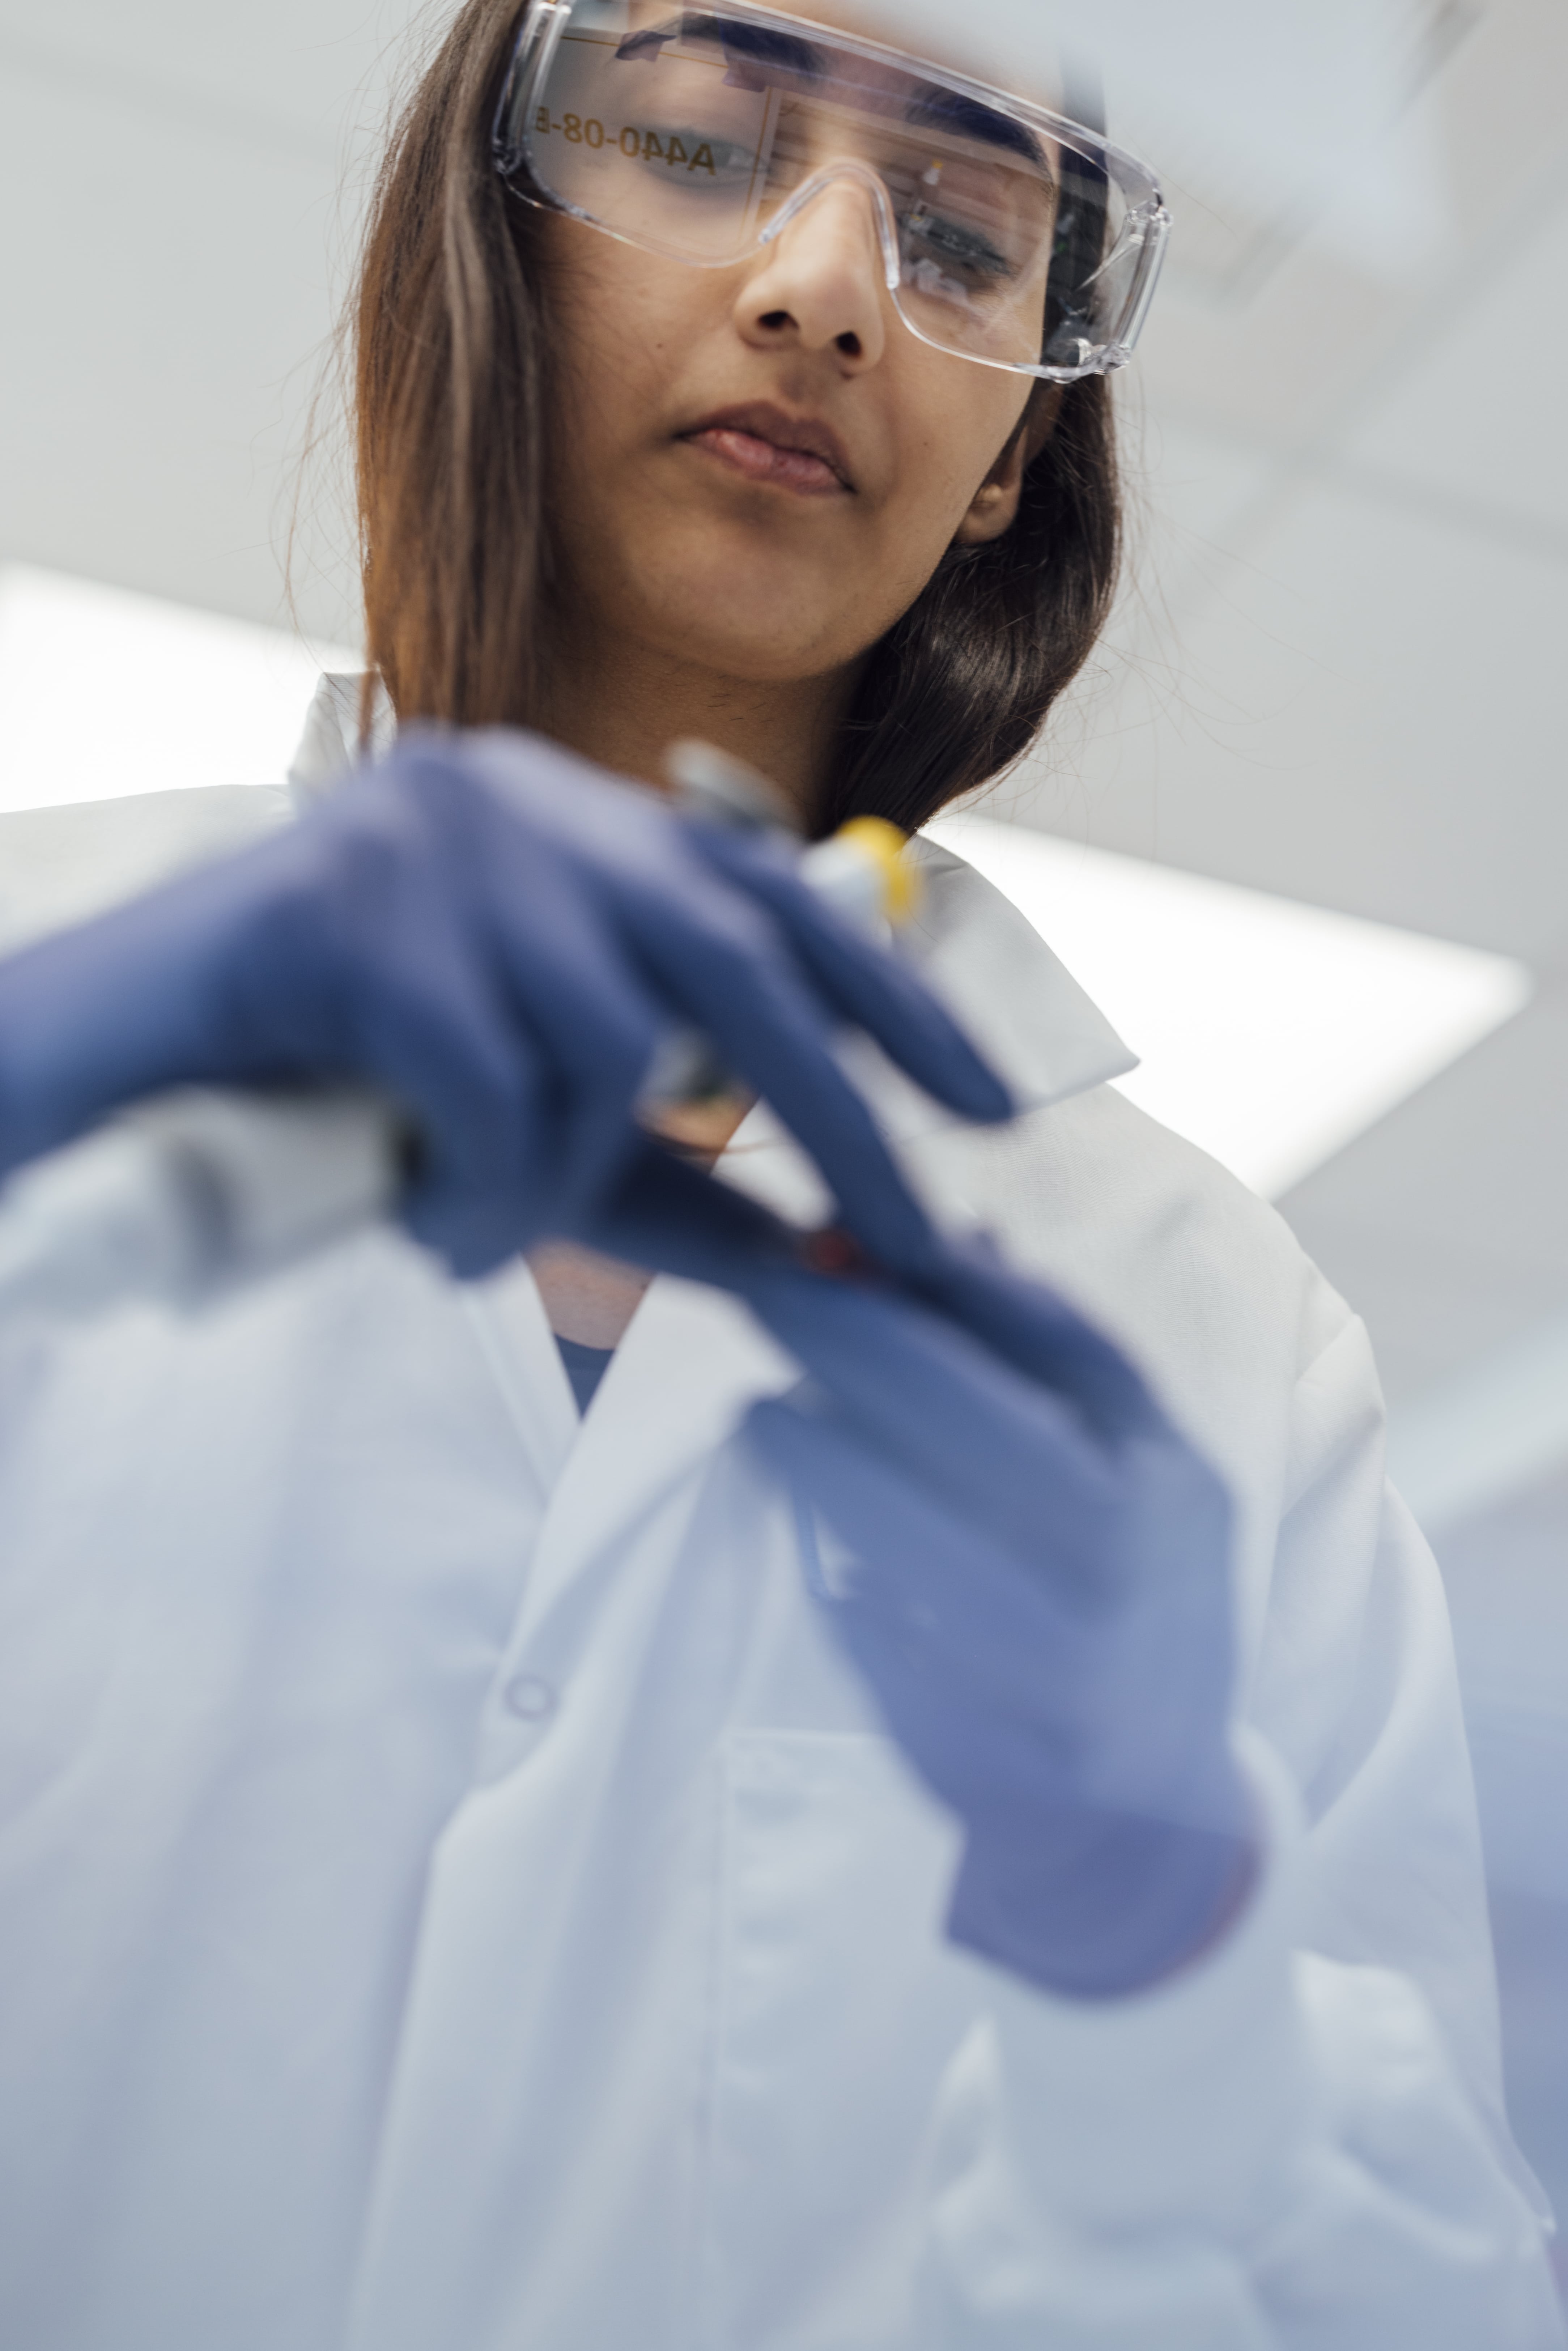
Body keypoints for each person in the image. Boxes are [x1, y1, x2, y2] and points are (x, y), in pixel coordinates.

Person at [0, 3, 1560, 2344]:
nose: (831, 282)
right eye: (708, 140)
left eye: (959, 229)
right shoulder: (52, 994)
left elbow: (1406, 2295)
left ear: (1022, 438)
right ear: (494, 239)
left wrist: (1164, 1949)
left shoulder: (1207, 1329)